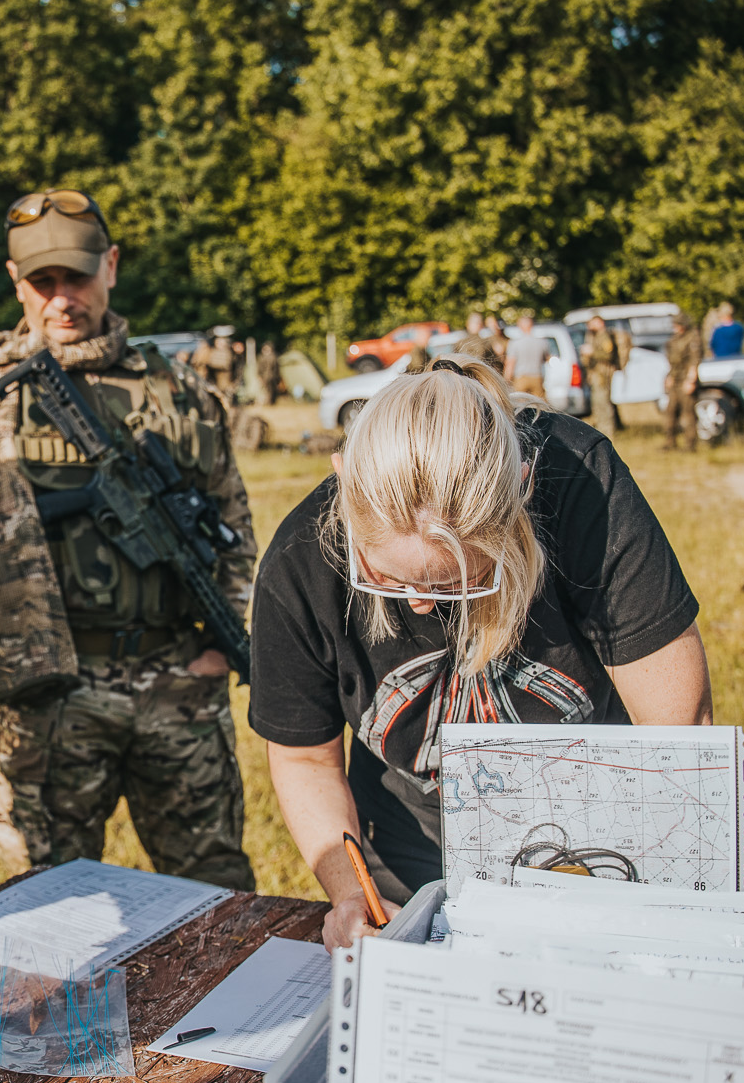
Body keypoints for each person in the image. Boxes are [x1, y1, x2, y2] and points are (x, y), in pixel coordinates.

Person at [247, 357, 712, 949]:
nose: (419, 604)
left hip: (594, 832)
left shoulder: (582, 488)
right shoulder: (299, 562)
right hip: (411, 839)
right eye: (387, 577)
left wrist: (653, 891)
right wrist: (350, 895)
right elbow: (305, 760)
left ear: (521, 490)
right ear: (343, 480)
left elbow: (680, 733)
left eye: (453, 581)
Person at [0, 188, 257, 890]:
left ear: (110, 265)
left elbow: (235, 529)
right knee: (54, 906)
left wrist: (212, 656)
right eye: (41, 282)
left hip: (177, 682)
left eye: (75, 276)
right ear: (17, 284)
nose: (60, 298)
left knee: (215, 893)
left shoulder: (184, 395)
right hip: (50, 698)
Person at [579, 316, 628, 433]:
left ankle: (607, 431)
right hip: (596, 375)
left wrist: (592, 352)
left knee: (604, 404)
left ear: (600, 323)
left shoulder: (605, 336)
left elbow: (608, 355)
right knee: (598, 404)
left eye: (592, 323)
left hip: (603, 374)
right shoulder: (594, 336)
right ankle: (602, 429)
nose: (590, 326)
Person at [665, 314, 705, 450]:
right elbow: (671, 361)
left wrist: (691, 380)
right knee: (670, 411)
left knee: (687, 413)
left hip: (686, 379)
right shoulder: (674, 339)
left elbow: (695, 361)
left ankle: (690, 444)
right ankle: (670, 442)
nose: (675, 327)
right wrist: (669, 377)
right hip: (675, 378)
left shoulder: (693, 338)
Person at [502, 312, 549, 399]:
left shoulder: (514, 343)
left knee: (521, 406)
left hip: (521, 378)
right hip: (537, 377)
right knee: (540, 406)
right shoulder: (542, 342)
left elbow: (510, 363)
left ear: (520, 326)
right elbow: (546, 359)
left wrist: (506, 380)